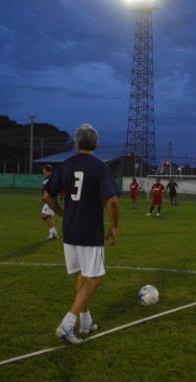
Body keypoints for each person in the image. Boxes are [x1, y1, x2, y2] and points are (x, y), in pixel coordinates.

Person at [43, 124, 120, 345]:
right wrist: (114, 226)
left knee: (84, 276)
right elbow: (112, 200)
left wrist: (63, 214)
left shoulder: (65, 165)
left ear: (77, 143)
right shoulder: (99, 167)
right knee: (95, 277)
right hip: (90, 229)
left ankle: (85, 322)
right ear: (95, 144)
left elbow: (48, 197)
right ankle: (67, 325)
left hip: (70, 229)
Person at [40, 164, 59, 241]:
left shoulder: (51, 177)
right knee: (50, 216)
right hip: (48, 199)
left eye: (43, 169)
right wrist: (42, 199)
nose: (42, 170)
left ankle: (53, 232)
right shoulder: (47, 178)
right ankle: (54, 234)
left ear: (46, 170)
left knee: (44, 215)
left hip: (51, 199)